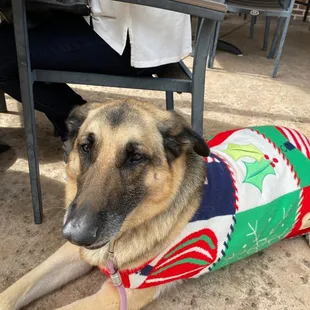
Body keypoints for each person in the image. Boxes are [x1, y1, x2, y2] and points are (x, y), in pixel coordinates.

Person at [0, 0, 192, 144]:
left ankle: (81, 125)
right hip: (134, 27)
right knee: (11, 39)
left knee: (5, 52)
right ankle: (77, 121)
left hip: (134, 39)